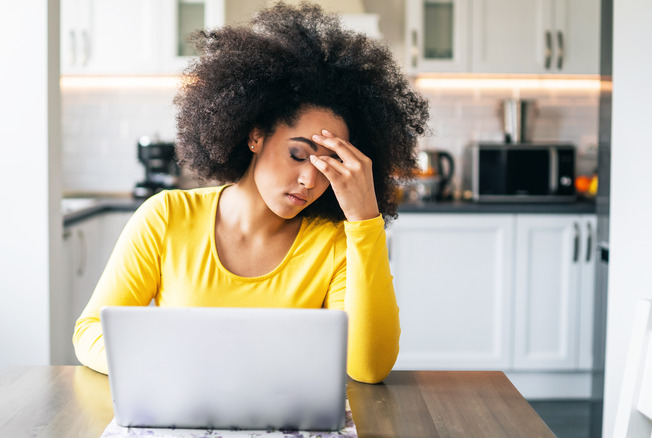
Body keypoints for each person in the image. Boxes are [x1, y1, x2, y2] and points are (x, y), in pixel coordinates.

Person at [73, 2, 429, 384]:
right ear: (255, 135)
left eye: (328, 165)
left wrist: (365, 222)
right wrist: (173, 365)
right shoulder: (166, 217)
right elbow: (90, 331)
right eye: (298, 154)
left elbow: (368, 368)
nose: (310, 180)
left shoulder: (336, 242)